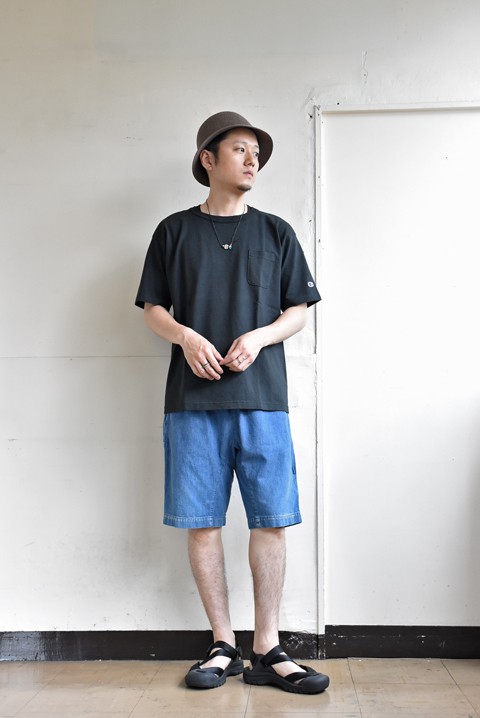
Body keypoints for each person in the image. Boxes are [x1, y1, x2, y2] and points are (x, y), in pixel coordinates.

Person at [135, 111, 329, 695]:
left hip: (263, 399)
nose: (252, 161)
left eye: (257, 154)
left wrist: (262, 336)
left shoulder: (276, 232)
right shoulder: (173, 231)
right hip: (191, 403)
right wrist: (186, 337)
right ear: (207, 159)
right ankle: (223, 644)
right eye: (240, 149)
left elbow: (298, 310)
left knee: (271, 521)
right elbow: (153, 308)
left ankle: (267, 647)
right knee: (202, 524)